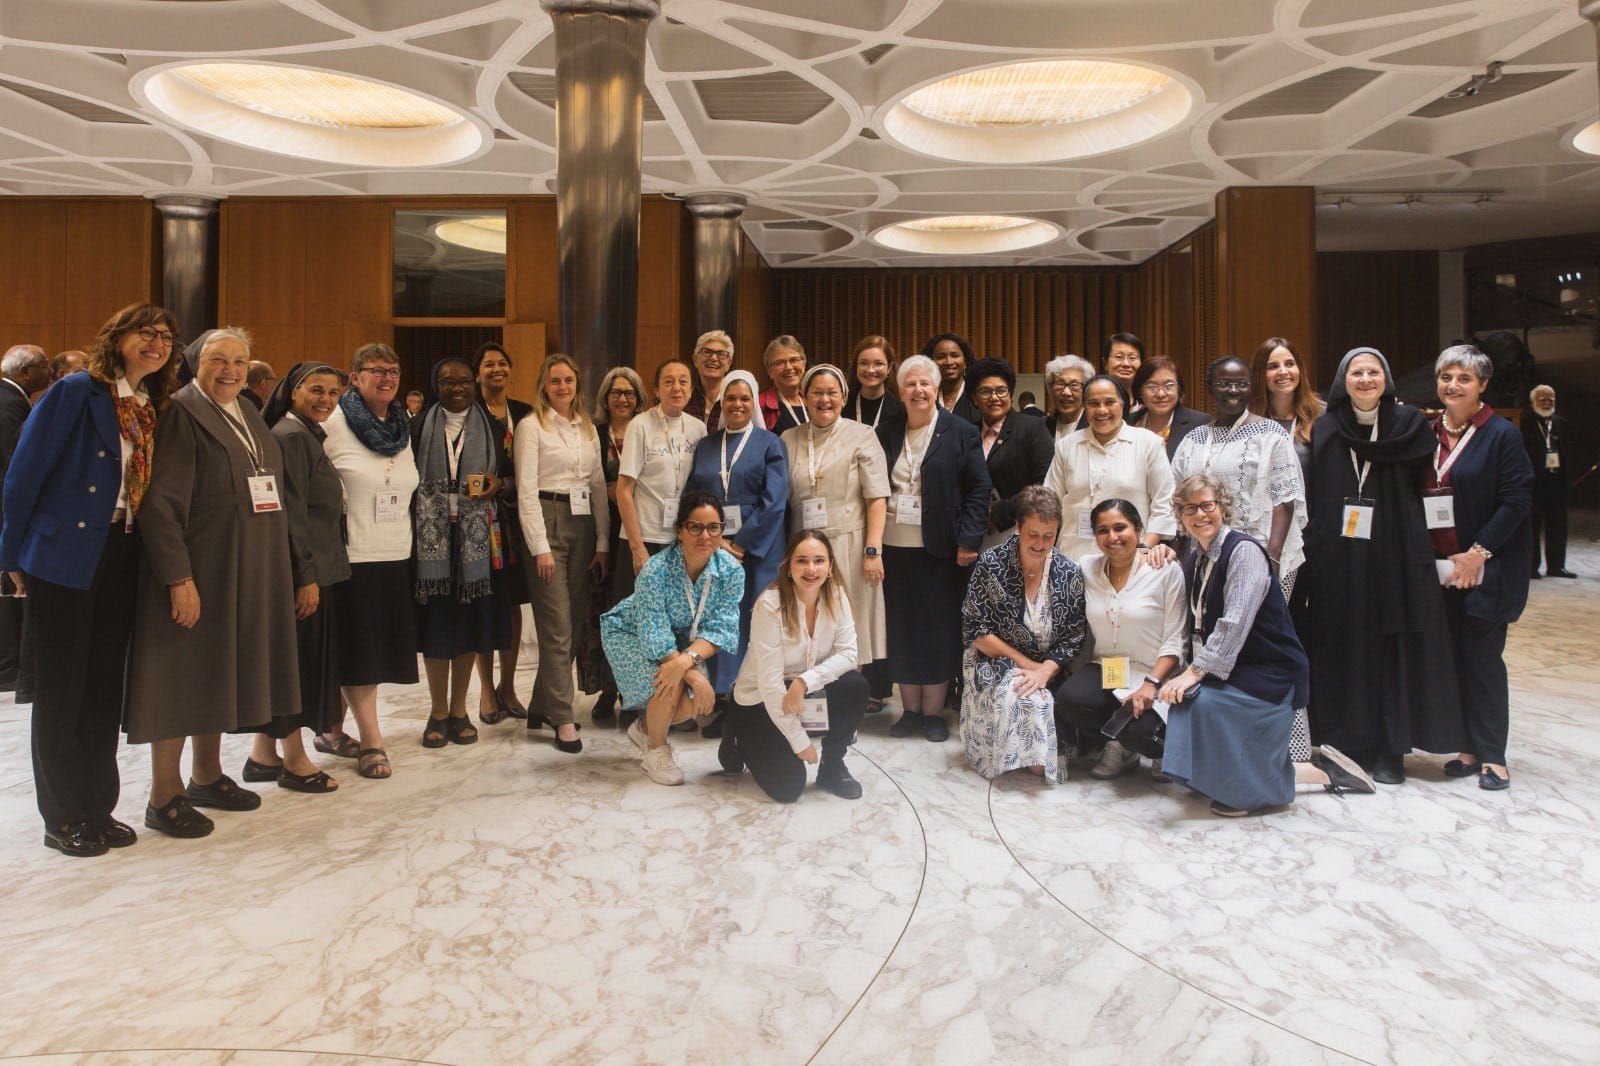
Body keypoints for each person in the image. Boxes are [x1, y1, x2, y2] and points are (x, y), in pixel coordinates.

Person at [1, 303, 177, 856]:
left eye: (166, 336)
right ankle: (62, 816)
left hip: (122, 551)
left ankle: (98, 807)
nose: (156, 343)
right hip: (64, 553)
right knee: (62, 687)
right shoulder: (77, 390)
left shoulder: (150, 403)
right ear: (117, 337)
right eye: (145, 333)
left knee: (104, 684)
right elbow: (24, 472)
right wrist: (10, 554)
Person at [124, 327, 303, 838]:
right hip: (199, 568)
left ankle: (206, 775)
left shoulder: (246, 410)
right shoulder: (182, 412)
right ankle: (164, 795)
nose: (230, 369)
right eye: (218, 359)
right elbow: (161, 505)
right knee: (180, 677)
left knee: (214, 673)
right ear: (194, 362)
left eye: (240, 362)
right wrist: (178, 577)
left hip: (245, 567)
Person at [1159, 474, 1375, 816]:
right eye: (1189, 508)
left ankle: (1247, 793)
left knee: (1197, 701)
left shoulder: (1243, 551)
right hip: (1236, 669)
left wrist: (1194, 673)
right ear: (1180, 516)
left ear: (1223, 508)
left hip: (1268, 672)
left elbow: (1235, 622)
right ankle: (1318, 770)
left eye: (1207, 505)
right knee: (1186, 700)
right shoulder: (1194, 556)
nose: (1199, 514)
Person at [1304, 347, 1463, 785]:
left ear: (1387, 379)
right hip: (1340, 557)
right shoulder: (1327, 426)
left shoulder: (1409, 424)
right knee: (1346, 647)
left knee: (1390, 650)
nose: (1366, 379)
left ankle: (1390, 749)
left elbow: (1425, 489)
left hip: (1394, 554)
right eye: (1357, 372)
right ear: (1343, 379)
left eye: (1374, 371)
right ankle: (1347, 744)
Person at [1426, 346, 1533, 791]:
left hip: (1488, 569)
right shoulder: (1428, 431)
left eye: (1464, 379)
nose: (1453, 385)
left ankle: (1493, 755)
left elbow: (1517, 500)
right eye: (1447, 376)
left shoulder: (1501, 434)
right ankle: (1466, 748)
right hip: (1441, 572)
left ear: (1483, 386)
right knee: (1451, 658)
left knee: (1483, 660)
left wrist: (1478, 551)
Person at [317, 342, 422, 781]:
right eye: (375, 371)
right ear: (354, 377)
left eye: (393, 371)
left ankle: (331, 730)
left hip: (396, 552)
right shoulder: (332, 424)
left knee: (371, 647)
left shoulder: (402, 426)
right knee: (360, 651)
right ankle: (372, 741)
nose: (386, 378)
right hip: (351, 557)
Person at [246, 361, 350, 794]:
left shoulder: (305, 433)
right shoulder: (291, 437)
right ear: (292, 391)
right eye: (316, 390)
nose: (326, 399)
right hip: (304, 573)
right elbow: (289, 516)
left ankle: (261, 755)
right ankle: (295, 760)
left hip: (316, 567)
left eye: (333, 392)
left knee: (297, 664)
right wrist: (304, 576)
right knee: (296, 670)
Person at [878, 356, 991, 742]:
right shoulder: (886, 431)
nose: (918, 390)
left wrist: (968, 540)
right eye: (910, 384)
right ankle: (909, 710)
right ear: (900, 390)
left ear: (937, 388)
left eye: (925, 383)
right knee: (903, 626)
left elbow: (978, 489)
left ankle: (934, 712)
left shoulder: (959, 431)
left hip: (942, 549)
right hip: (893, 546)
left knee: (938, 627)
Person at [601, 490, 744, 785]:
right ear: (680, 531)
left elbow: (722, 627)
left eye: (714, 527)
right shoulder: (656, 570)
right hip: (631, 633)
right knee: (673, 685)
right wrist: (692, 675)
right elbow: (654, 632)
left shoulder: (731, 570)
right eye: (695, 527)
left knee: (696, 704)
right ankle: (656, 750)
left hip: (681, 649)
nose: (705, 536)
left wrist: (685, 662)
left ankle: (644, 728)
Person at [724, 529, 867, 801]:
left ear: (830, 566)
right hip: (760, 700)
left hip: (799, 690)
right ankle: (736, 734)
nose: (811, 569)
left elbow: (849, 655)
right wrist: (800, 743)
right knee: (788, 789)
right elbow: (769, 685)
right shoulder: (770, 605)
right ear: (788, 567)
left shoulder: (837, 596)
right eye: (801, 561)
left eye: (818, 560)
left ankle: (832, 766)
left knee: (854, 685)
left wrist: (804, 683)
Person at [412, 357, 507, 751]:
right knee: (437, 627)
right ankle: (436, 712)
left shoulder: (493, 427)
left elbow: (512, 478)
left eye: (465, 381)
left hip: (475, 544)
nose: (457, 388)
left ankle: (459, 710)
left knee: (468, 626)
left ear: (475, 384)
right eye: (448, 382)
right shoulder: (417, 427)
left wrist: (497, 483)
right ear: (436, 385)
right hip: (429, 541)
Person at [515, 354, 608, 754]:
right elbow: (524, 491)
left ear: (576, 385)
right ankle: (563, 717)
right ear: (544, 384)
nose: (562, 387)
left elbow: (600, 485)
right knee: (556, 627)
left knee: (572, 620)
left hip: (583, 523)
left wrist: (603, 542)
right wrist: (539, 548)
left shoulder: (586, 426)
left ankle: (541, 705)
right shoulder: (530, 426)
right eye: (555, 381)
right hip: (547, 519)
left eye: (568, 380)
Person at [960, 487, 1086, 782]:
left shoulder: (1068, 572)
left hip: (1050, 667)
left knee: (1045, 758)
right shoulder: (992, 564)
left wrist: (1047, 670)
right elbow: (976, 629)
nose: (1041, 544)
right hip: (996, 661)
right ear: (1018, 528)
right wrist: (1030, 668)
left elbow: (1075, 635)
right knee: (1024, 696)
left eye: (1049, 535)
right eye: (1033, 534)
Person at [1055, 499, 1185, 781]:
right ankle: (1120, 746)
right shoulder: (1088, 568)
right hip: (1110, 666)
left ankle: (1164, 749)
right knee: (1070, 699)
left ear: (1138, 530)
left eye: (1120, 528)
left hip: (1155, 672)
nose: (1112, 537)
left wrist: (1151, 685)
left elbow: (1175, 639)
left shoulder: (1165, 570)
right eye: (1102, 530)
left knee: (1142, 730)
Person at [782, 364, 890, 700]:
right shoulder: (789, 438)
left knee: (848, 630)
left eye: (832, 393)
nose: (824, 399)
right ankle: (812, 708)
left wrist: (873, 551)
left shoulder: (862, 435)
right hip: (804, 550)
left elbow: (876, 498)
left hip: (849, 545)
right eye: (817, 392)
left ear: (843, 398)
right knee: (809, 626)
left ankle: (845, 709)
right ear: (804, 396)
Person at [686, 369, 788, 705]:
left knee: (757, 619)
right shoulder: (706, 445)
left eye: (745, 398)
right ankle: (723, 696)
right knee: (720, 619)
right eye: (730, 398)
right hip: (712, 546)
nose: (737, 404)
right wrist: (717, 542)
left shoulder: (770, 443)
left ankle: (756, 699)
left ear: (753, 402)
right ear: (721, 402)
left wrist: (741, 542)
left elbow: (774, 502)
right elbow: (694, 498)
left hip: (760, 548)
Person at [1171, 357, 1304, 594]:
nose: (1233, 391)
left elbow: (1285, 500)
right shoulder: (1193, 439)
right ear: (1210, 388)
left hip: (1255, 553)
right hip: (1200, 554)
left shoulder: (1270, 434)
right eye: (1224, 384)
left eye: (1242, 384)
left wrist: (1271, 559)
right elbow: (1176, 499)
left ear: (1251, 388)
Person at [1043, 375, 1177, 562]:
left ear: (1123, 404)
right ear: (1084, 407)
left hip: (1129, 556)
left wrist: (1144, 548)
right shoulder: (1067, 446)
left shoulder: (1148, 444)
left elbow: (1164, 502)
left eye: (1110, 402)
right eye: (1093, 403)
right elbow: (1050, 502)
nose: (1102, 410)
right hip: (1073, 556)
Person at [581, 366, 646, 726]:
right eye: (616, 392)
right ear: (605, 398)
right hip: (600, 532)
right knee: (600, 614)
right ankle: (607, 690)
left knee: (631, 613)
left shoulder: (647, 429)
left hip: (638, 530)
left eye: (630, 393)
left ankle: (631, 692)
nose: (623, 399)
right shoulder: (594, 433)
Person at [473, 341, 534, 723]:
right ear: (477, 373)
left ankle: (509, 687)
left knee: (512, 604)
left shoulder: (525, 413)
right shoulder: (469, 413)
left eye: (502, 364)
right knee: (485, 604)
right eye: (488, 364)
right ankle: (485, 692)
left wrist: (506, 486)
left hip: (515, 522)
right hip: (478, 523)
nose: (497, 370)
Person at [618, 359, 707, 573]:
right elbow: (624, 490)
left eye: (683, 382)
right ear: (656, 390)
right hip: (645, 537)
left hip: (681, 539)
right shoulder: (640, 425)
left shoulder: (698, 428)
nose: (677, 387)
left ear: (691, 389)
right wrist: (636, 547)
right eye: (669, 382)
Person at [0, 345, 48, 692]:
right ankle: (9, 666)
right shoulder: (12, 405)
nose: (50, 372)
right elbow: (14, 468)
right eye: (44, 366)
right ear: (26, 372)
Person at [968, 357, 1054, 550]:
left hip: (1017, 528)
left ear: (1011, 394)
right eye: (985, 391)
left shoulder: (1032, 427)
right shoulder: (968, 432)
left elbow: (1044, 483)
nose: (994, 397)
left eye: (1001, 390)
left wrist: (996, 515)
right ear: (974, 398)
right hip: (974, 532)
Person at [1250, 337, 1323, 491]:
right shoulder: (1247, 420)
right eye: (1273, 366)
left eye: (1289, 364)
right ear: (1260, 374)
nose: (1283, 371)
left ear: (1299, 369)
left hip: (1313, 513)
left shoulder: (1322, 415)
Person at [1522, 384, 1573, 578]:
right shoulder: (1525, 423)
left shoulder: (1561, 423)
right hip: (1535, 483)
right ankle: (1532, 567)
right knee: (1532, 526)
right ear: (1533, 401)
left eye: (1550, 399)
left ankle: (1556, 566)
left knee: (1558, 525)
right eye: (1542, 399)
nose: (1547, 402)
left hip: (1557, 482)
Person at [1129, 355, 1210, 459]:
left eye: (1169, 385)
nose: (1161, 394)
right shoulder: (1128, 422)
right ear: (1140, 391)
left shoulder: (1200, 423)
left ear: (1178, 389)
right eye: (1152, 387)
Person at [844, 334, 903, 429]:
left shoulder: (900, 411)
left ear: (889, 368)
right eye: (864, 363)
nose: (870, 370)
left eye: (878, 364)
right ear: (856, 366)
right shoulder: (842, 405)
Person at [923, 332, 981, 424]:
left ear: (966, 361)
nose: (949, 362)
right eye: (941, 357)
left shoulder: (978, 395)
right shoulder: (923, 395)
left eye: (955, 356)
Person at [759, 335, 810, 433]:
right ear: (769, 371)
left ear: (803, 364)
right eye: (780, 363)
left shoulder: (814, 401)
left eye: (794, 360)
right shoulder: (760, 406)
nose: (789, 367)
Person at [685, 330, 733, 432]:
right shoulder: (683, 397)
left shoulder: (736, 400)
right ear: (695, 360)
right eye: (707, 352)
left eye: (721, 354)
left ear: (729, 363)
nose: (714, 358)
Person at [1044, 354, 1094, 440]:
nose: (1066, 393)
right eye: (1060, 384)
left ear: (1086, 390)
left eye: (1074, 385)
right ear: (1051, 389)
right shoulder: (1043, 426)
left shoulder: (1095, 426)